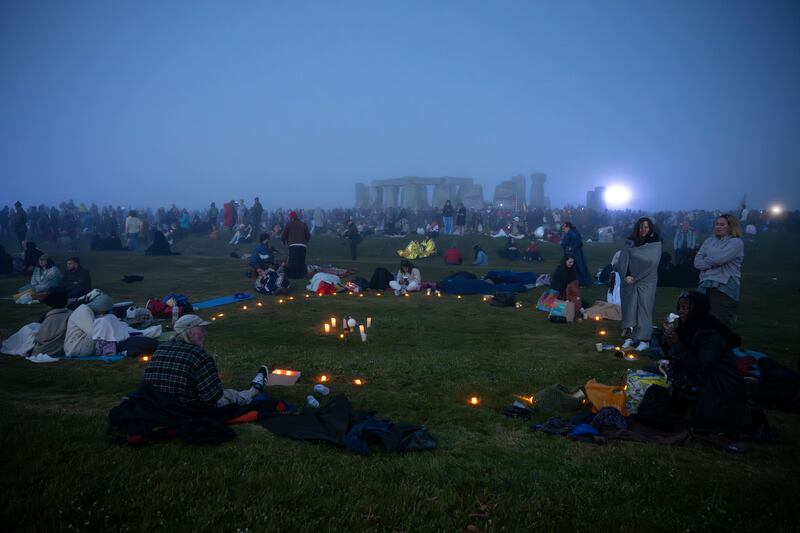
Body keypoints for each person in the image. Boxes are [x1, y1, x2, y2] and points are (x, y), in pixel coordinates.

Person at [662, 291, 748, 434]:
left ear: (697, 310)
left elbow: (700, 367)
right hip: (700, 376)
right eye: (680, 307)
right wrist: (668, 340)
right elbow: (675, 356)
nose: (680, 312)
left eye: (685, 308)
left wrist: (676, 344)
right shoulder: (688, 327)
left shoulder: (712, 333)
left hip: (720, 385)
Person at [142, 314, 269, 407]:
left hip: (156, 403)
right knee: (229, 395)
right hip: (186, 408)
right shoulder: (199, 356)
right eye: (201, 330)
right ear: (190, 332)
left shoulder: (161, 348)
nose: (205, 334)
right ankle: (253, 391)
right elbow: (213, 397)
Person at [616, 217, 662, 351]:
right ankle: (630, 337)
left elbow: (652, 262)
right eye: (641, 227)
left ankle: (644, 339)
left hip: (647, 280)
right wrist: (626, 275)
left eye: (646, 227)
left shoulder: (655, 242)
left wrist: (637, 275)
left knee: (644, 308)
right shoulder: (631, 240)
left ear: (650, 229)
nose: (643, 230)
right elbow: (624, 259)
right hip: (630, 280)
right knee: (630, 308)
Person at [694, 214, 744, 328]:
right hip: (705, 283)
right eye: (716, 224)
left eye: (722, 224)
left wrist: (707, 259)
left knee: (719, 321)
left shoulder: (736, 243)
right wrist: (712, 261)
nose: (718, 227)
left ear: (730, 226)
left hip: (724, 285)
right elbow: (697, 262)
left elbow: (720, 259)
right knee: (701, 318)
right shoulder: (709, 241)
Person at [32, 287, 72, 356]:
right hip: (62, 349)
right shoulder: (71, 313)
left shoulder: (51, 319)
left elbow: (40, 338)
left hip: (46, 351)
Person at [281, 211, 311, 279]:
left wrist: (283, 241)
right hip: (302, 245)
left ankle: (293, 275)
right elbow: (308, 235)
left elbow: (284, 234)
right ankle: (301, 275)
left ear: (291, 217)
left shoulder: (289, 224)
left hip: (293, 245)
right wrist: (306, 241)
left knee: (293, 261)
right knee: (301, 261)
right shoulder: (303, 224)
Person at [560, 222, 590, 286]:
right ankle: (573, 281)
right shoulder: (570, 233)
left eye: (564, 228)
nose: (563, 229)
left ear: (568, 227)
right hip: (570, 253)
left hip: (574, 254)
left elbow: (577, 243)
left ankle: (581, 282)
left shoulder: (573, 233)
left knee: (578, 267)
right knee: (571, 267)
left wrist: (571, 249)